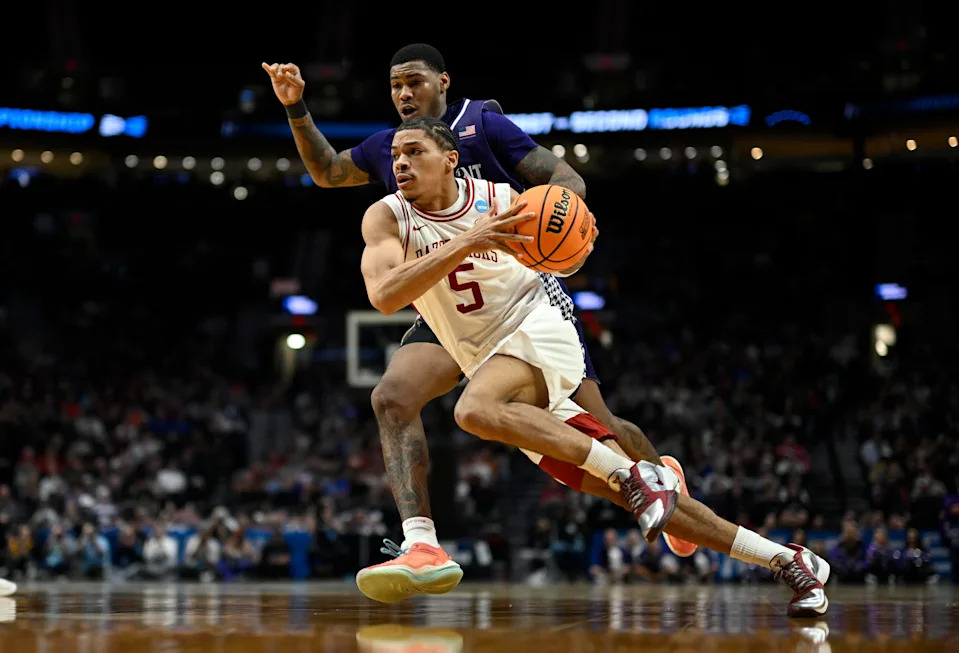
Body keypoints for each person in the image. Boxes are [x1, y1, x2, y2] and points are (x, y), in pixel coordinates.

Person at [353, 118, 830, 616]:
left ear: (451, 159)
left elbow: (557, 250)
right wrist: (468, 243)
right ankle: (789, 561)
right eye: (396, 155)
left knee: (473, 411)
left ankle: (632, 475)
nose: (400, 162)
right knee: (637, 498)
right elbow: (384, 296)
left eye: (414, 151)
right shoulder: (387, 217)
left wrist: (573, 242)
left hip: (539, 326)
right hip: (492, 363)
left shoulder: (499, 199)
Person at [262, 41, 694, 579]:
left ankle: (661, 478)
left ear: (443, 82)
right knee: (392, 397)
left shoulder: (482, 124)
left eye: (414, 82)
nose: (403, 94)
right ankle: (422, 544)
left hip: (517, 299)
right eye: (395, 85)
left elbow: (566, 181)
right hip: (449, 305)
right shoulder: (389, 148)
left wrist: (562, 224)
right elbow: (327, 171)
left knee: (599, 424)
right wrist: (296, 106)